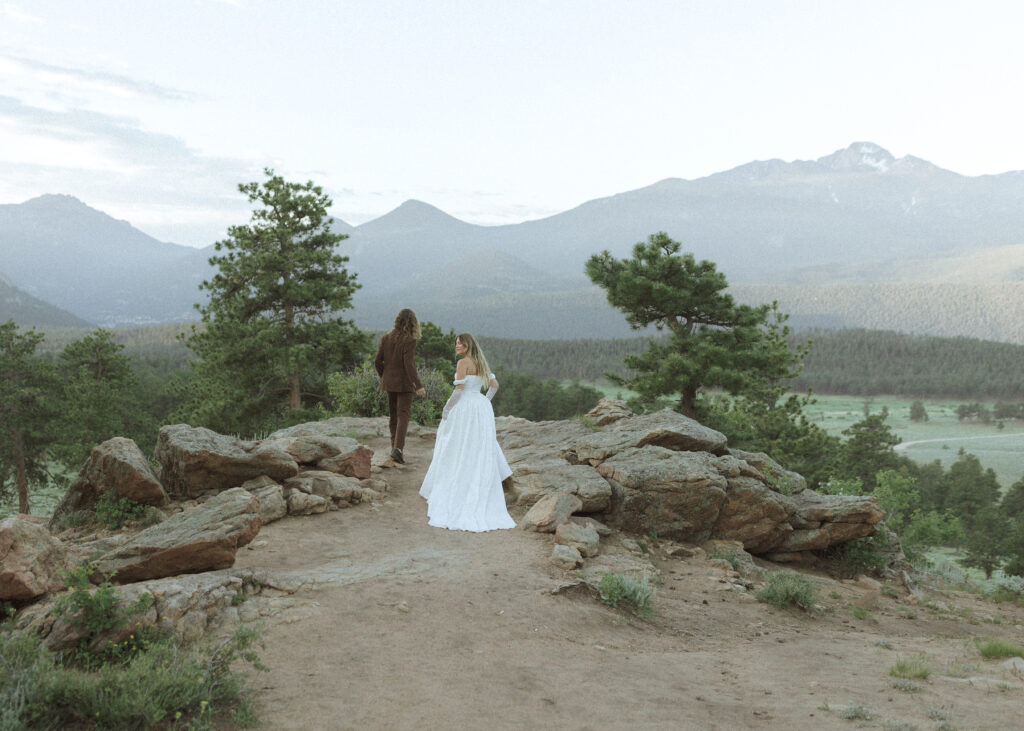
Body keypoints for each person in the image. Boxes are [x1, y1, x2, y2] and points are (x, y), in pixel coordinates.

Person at [419, 333, 516, 532]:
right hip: (481, 408)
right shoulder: (481, 362)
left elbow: (459, 390)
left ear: (467, 345)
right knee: (478, 445)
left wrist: (446, 408)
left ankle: (457, 481)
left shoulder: (463, 363)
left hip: (465, 407)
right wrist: (484, 400)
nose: (457, 346)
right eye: (455, 343)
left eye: (460, 343)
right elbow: (494, 386)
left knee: (456, 443)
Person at [374, 308, 426, 464]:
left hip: (389, 383)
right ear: (412, 323)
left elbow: (377, 362)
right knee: (403, 415)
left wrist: (385, 376)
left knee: (393, 416)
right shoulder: (409, 340)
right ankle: (398, 449)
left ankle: (393, 448)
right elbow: (409, 365)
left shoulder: (386, 338)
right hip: (404, 384)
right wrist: (418, 385)